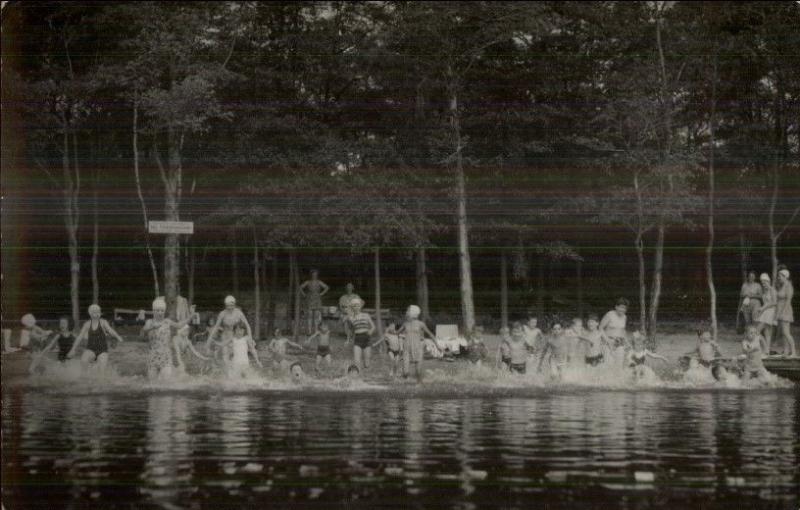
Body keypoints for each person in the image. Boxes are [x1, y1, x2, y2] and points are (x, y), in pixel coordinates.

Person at [140, 298, 193, 380]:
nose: (160, 313)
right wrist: (152, 327)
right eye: (157, 310)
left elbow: (179, 325)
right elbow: (142, 333)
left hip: (166, 356)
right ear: (153, 311)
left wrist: (190, 316)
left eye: (162, 310)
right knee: (152, 384)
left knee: (166, 382)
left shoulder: (167, 321)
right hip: (153, 356)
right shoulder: (149, 322)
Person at [68, 304, 125, 373]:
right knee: (83, 360)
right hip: (91, 349)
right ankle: (84, 376)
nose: (97, 314)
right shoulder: (87, 324)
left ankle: (100, 374)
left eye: (98, 312)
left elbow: (110, 330)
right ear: (90, 314)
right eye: (95, 312)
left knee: (102, 370)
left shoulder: (103, 322)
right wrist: (73, 349)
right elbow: (80, 337)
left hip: (102, 350)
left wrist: (118, 337)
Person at [204, 296, 253, 363]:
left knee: (236, 353)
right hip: (226, 335)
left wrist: (250, 337)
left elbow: (247, 325)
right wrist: (208, 341)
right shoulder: (222, 314)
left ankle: (237, 369)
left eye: (231, 305)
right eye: (228, 306)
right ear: (225, 305)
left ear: (234, 305)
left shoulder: (239, 313)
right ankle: (227, 371)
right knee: (225, 354)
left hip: (236, 335)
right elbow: (215, 327)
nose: (230, 307)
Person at [400, 304, 435, 381]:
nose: (406, 312)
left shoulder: (420, 324)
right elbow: (397, 332)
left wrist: (438, 345)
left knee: (418, 372)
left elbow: (430, 334)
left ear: (412, 313)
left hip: (418, 348)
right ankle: (405, 379)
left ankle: (419, 382)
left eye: (407, 310)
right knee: (405, 372)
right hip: (407, 347)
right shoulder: (406, 324)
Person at [347, 297, 376, 370]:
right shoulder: (351, 318)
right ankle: (357, 378)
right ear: (352, 308)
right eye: (354, 306)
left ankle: (366, 374)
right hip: (357, 339)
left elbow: (373, 326)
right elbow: (350, 330)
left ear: (360, 306)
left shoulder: (366, 315)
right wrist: (348, 340)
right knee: (357, 362)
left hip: (367, 338)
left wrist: (370, 331)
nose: (356, 307)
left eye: (358, 305)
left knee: (367, 363)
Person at [600, 298, 630, 365]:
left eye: (625, 308)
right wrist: (608, 340)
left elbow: (622, 331)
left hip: (620, 342)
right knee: (608, 364)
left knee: (619, 364)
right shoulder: (609, 314)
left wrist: (627, 342)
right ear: (616, 307)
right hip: (608, 342)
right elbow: (600, 328)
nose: (623, 310)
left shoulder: (625, 317)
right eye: (621, 307)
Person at [299, 269, 330, 334]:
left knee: (316, 315)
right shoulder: (308, 282)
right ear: (311, 275)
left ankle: (315, 331)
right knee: (309, 315)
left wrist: (321, 293)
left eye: (315, 274)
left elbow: (327, 287)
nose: (314, 275)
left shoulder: (319, 282)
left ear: (317, 275)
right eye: (313, 274)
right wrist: (304, 294)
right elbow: (300, 287)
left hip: (317, 299)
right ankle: (309, 331)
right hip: (309, 298)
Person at [774, 268, 795, 357]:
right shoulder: (782, 285)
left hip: (785, 311)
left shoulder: (788, 286)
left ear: (785, 277)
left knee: (786, 332)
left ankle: (793, 352)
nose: (779, 278)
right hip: (780, 311)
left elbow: (788, 301)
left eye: (780, 276)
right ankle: (786, 351)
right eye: (778, 276)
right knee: (783, 332)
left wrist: (782, 312)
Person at [755, 274, 777, 355]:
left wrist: (763, 308)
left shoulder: (772, 290)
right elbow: (765, 303)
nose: (764, 285)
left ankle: (762, 349)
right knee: (767, 332)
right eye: (762, 283)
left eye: (765, 283)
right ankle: (766, 350)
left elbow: (774, 302)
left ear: (768, 281)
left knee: (757, 331)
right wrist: (761, 310)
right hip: (765, 311)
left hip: (770, 311)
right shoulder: (765, 291)